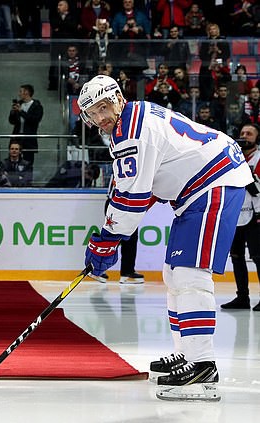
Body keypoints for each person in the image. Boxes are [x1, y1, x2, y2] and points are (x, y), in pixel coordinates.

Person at [77, 74, 252, 402]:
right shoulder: (131, 119)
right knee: (174, 274)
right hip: (201, 187)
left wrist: (106, 240)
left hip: (214, 182)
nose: (101, 117)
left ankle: (203, 369)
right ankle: (188, 353)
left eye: (104, 107)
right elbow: (145, 184)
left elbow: (131, 198)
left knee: (189, 275)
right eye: (93, 113)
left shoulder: (129, 131)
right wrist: (112, 234)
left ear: (118, 98)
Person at [221, 123, 260, 311]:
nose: (245, 136)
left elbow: (256, 189)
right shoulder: (232, 158)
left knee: (258, 257)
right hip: (235, 214)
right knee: (236, 256)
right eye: (242, 133)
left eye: (249, 133)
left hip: (256, 214)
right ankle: (242, 297)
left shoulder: (258, 158)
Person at [90, 176, 145, 284]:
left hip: (119, 204)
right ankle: (100, 269)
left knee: (125, 238)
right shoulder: (131, 165)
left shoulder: (121, 162)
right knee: (116, 238)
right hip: (121, 205)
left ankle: (123, 271)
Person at [9, 84, 43, 167]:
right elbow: (12, 121)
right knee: (14, 161)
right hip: (17, 137)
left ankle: (28, 179)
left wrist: (21, 111)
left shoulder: (37, 106)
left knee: (28, 162)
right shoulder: (19, 104)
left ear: (27, 92)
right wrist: (13, 112)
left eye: (21, 91)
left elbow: (34, 120)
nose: (19, 94)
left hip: (29, 138)